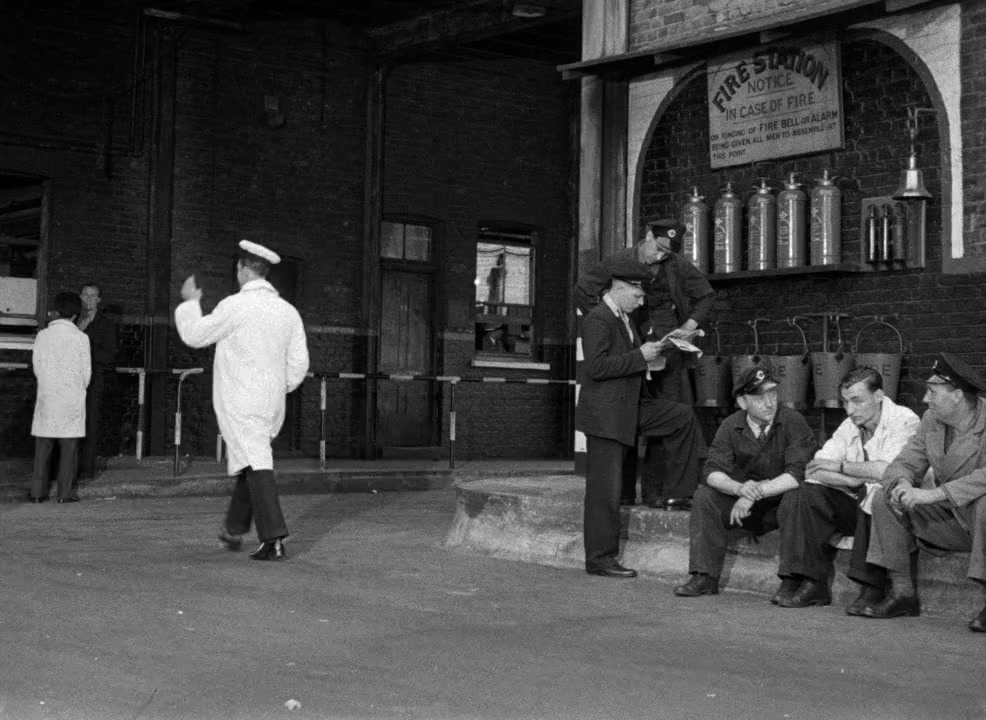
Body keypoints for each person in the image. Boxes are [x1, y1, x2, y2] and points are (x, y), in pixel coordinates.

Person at [175, 240, 309, 561]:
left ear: (243, 270)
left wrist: (190, 304)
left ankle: (274, 538)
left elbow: (195, 335)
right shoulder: (288, 311)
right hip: (272, 401)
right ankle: (233, 529)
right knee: (252, 456)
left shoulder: (235, 306)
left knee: (257, 460)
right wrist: (279, 387)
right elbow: (299, 363)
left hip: (241, 398)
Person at [576, 259, 705, 579]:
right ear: (620, 289)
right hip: (607, 417)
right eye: (637, 294)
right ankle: (600, 559)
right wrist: (639, 356)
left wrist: (651, 361)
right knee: (604, 492)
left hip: (630, 407)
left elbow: (624, 362)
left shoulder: (623, 318)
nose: (641, 300)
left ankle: (677, 492)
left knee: (681, 416)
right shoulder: (598, 319)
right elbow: (596, 368)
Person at [574, 220, 714, 510]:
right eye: (658, 249)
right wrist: (610, 323)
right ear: (648, 236)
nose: (660, 257)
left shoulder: (676, 264)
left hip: (666, 348)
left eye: (666, 253)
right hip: (630, 346)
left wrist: (689, 325)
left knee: (670, 415)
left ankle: (658, 492)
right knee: (623, 413)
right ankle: (623, 492)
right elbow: (583, 290)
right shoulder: (618, 261)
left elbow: (706, 294)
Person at [773, 367, 919, 610]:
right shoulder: (850, 425)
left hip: (897, 510)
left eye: (858, 401)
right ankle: (809, 581)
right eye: (845, 402)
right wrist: (852, 480)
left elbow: (887, 471)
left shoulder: (905, 420)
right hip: (856, 498)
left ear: (878, 396)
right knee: (801, 493)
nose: (850, 410)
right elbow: (814, 469)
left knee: (875, 494)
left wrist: (841, 467)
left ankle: (872, 586)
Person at [863, 353, 986, 632]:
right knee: (884, 497)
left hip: (980, 521)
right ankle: (902, 594)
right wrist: (902, 484)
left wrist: (935, 494)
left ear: (957, 395)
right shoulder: (932, 419)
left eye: (932, 392)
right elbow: (904, 462)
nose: (925, 399)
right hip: (954, 523)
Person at [674, 365, 816, 598]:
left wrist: (754, 493)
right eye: (759, 398)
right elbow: (711, 471)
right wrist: (739, 488)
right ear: (742, 402)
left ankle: (792, 579)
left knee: (797, 496)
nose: (769, 403)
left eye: (772, 394)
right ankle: (704, 576)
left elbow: (797, 474)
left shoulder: (793, 421)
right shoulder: (731, 425)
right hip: (743, 508)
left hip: (780, 505)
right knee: (705, 496)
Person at [29, 292, 91, 503]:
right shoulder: (81, 338)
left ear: (56, 311)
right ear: (75, 314)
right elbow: (86, 374)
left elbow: (37, 367)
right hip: (71, 398)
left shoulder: (42, 336)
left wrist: (48, 383)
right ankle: (64, 494)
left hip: (48, 396)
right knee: (68, 450)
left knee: (42, 449)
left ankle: (37, 493)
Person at [77, 283, 118, 480]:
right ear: (80, 297)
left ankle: (86, 469)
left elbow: (110, 355)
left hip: (93, 380)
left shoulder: (106, 324)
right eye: (85, 295)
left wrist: (86, 348)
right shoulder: (73, 319)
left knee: (90, 423)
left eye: (93, 296)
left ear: (99, 300)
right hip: (71, 379)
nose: (89, 299)